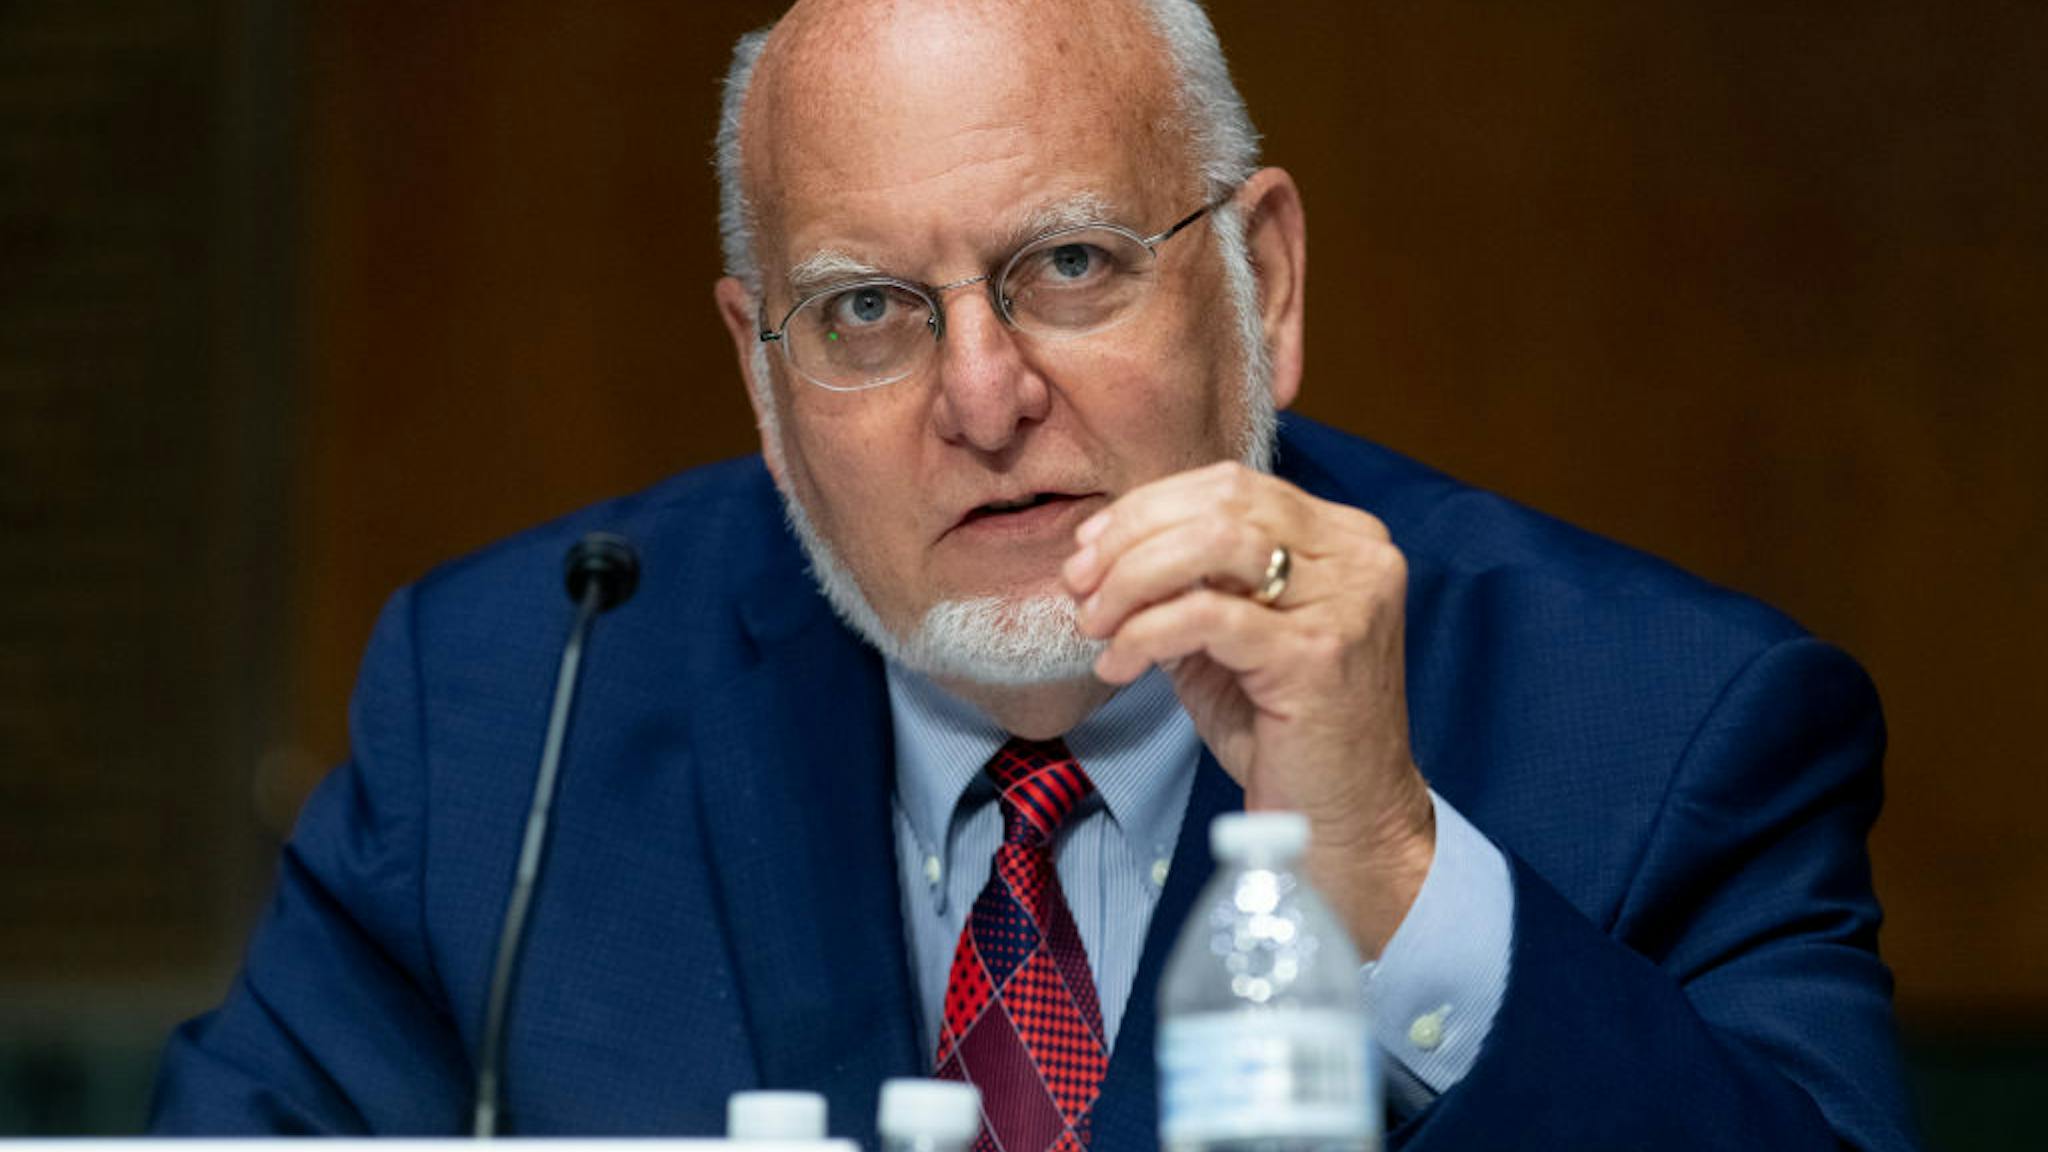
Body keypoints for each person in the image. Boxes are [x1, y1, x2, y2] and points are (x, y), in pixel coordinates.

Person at [151, 1, 1918, 1149]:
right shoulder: (509, 706)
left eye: (1068, 264)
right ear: (765, 378)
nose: (984, 397)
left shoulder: (1668, 727)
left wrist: (1387, 867)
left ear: (1264, 286)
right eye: (865, 311)